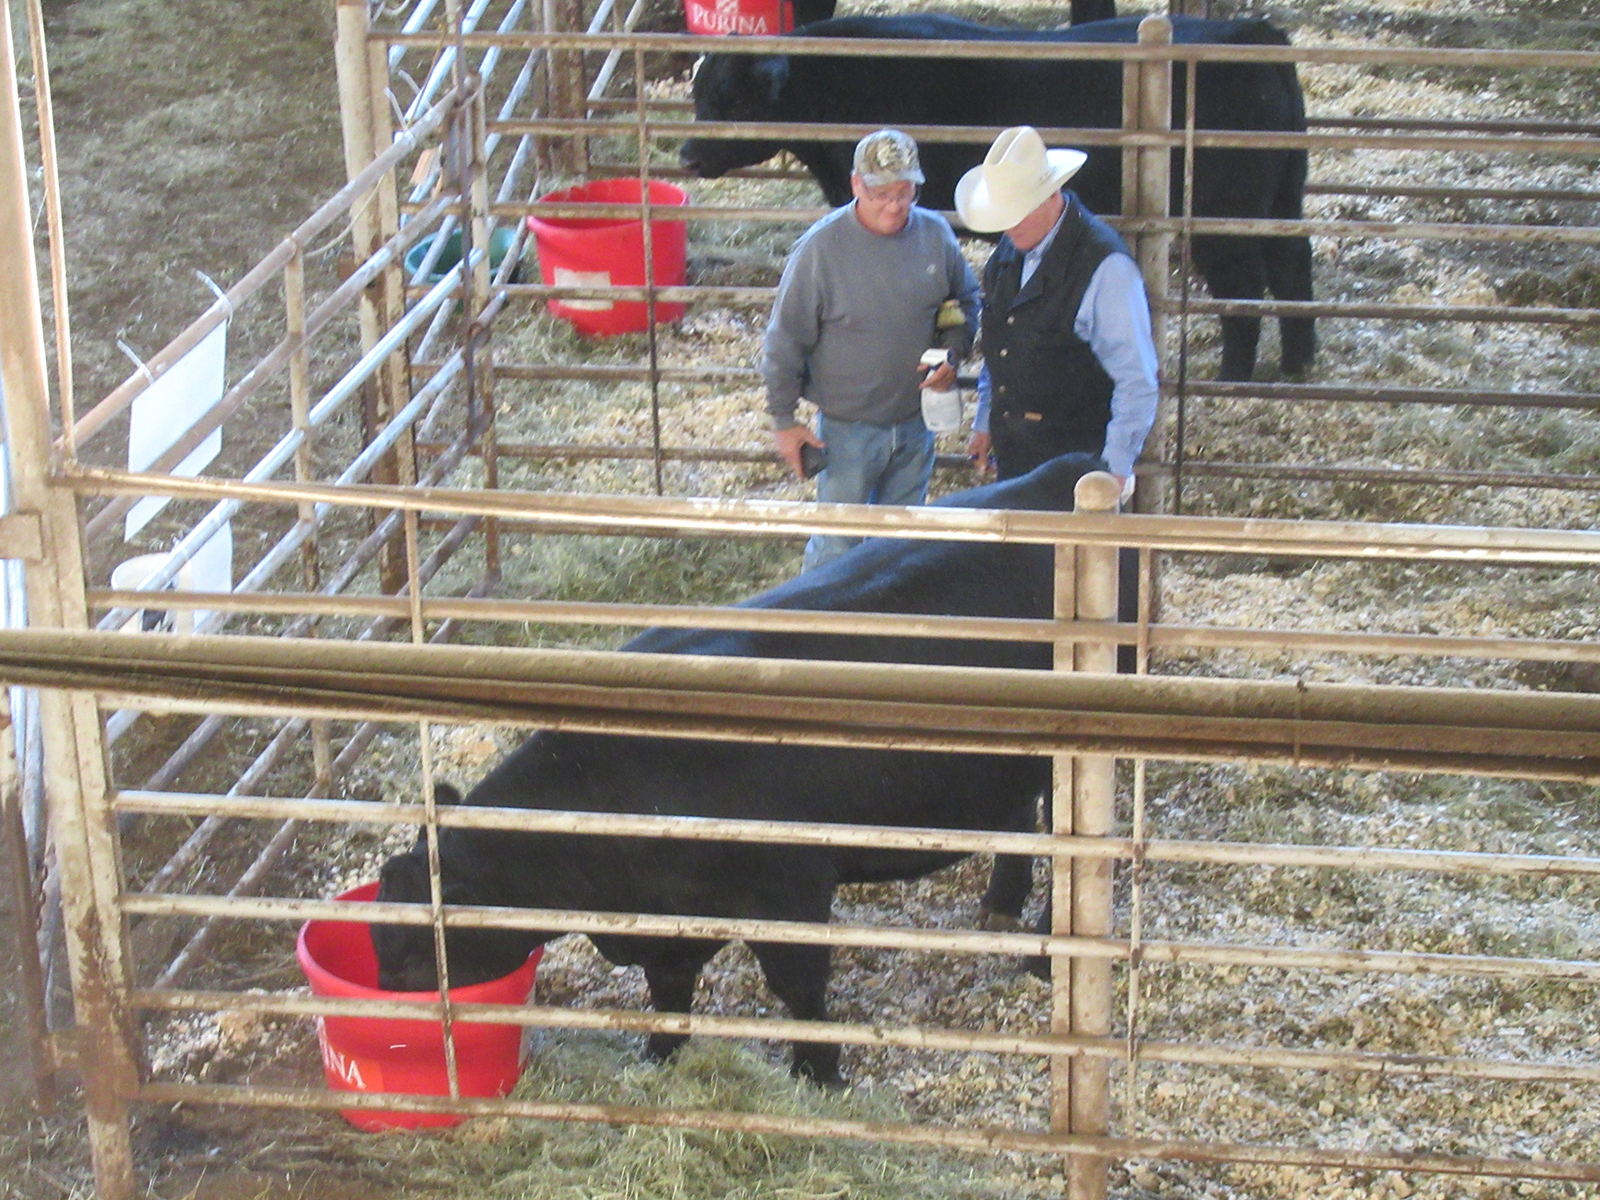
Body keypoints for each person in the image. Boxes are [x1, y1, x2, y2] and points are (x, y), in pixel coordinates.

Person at [763, 129, 980, 571]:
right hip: (846, 429)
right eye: (881, 192)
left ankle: (885, 631)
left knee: (900, 542)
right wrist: (784, 421)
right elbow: (785, 338)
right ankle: (820, 630)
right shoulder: (822, 250)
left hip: (916, 419)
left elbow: (964, 300)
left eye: (905, 191)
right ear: (856, 185)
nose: (895, 204)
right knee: (837, 546)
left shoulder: (935, 236)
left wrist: (953, 354)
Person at [955, 126, 1159, 498]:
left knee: (1079, 558)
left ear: (1051, 195)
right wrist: (986, 421)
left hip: (1079, 468)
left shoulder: (1105, 267)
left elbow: (1137, 380)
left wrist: (1111, 472)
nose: (1008, 224)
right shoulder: (1007, 254)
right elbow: (1002, 346)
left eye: (1017, 211)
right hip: (1017, 461)